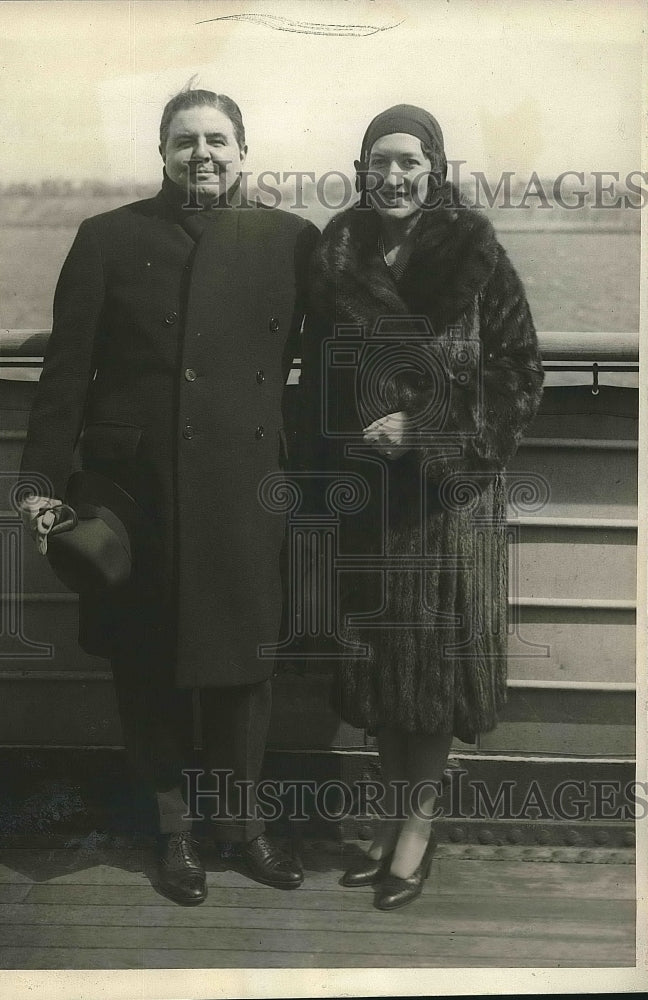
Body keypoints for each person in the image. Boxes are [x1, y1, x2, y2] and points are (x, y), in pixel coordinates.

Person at [19, 87, 318, 906]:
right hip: (134, 491)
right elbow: (64, 376)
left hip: (245, 487)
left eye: (218, 141)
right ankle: (172, 829)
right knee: (147, 662)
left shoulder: (292, 242)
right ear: (162, 153)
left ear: (244, 151)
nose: (203, 156)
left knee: (244, 665)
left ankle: (243, 827)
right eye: (185, 142)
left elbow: (339, 355)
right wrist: (42, 490)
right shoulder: (108, 238)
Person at [304, 105, 544, 909]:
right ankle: (385, 817)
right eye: (380, 161)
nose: (394, 175)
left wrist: (430, 427)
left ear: (435, 167)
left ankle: (416, 829)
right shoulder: (337, 252)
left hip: (449, 501)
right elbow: (321, 374)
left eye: (410, 161)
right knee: (378, 665)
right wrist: (347, 442)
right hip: (370, 497)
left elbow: (519, 374)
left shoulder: (475, 252)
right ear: (362, 169)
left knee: (432, 668)